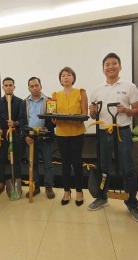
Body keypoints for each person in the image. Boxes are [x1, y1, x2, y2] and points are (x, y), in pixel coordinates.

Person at [88, 53, 138, 223]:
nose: (110, 67)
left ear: (120, 67)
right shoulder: (97, 90)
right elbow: (92, 115)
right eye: (107, 64)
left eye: (114, 64)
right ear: (103, 68)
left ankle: (132, 203)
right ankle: (102, 197)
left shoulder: (129, 86)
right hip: (103, 132)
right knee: (104, 166)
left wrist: (126, 111)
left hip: (122, 132)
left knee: (128, 168)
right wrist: (92, 110)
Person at [52, 67, 88, 206]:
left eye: (68, 75)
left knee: (77, 163)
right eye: (63, 75)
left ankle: (79, 191)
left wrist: (78, 119)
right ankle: (67, 191)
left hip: (77, 133)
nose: (65, 77)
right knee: (65, 163)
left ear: (73, 77)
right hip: (61, 134)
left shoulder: (81, 92)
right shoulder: (55, 95)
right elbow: (53, 115)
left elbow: (84, 115)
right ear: (60, 79)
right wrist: (53, 120)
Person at [19, 77, 56, 199]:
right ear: (29, 88)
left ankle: (49, 187)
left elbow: (52, 121)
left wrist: (44, 129)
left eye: (36, 85)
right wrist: (25, 136)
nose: (34, 88)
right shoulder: (24, 102)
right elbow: (22, 121)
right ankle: (35, 187)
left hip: (45, 138)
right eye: (32, 86)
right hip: (30, 139)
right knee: (32, 164)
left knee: (48, 164)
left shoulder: (50, 101)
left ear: (41, 86)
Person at [0, 77, 23, 196]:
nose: (8, 87)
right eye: (6, 85)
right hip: (2, 135)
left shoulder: (20, 102)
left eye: (11, 85)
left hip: (15, 134)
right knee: (0, 159)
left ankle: (17, 182)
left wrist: (15, 123)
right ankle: (1, 184)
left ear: (14, 87)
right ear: (3, 87)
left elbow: (22, 120)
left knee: (16, 160)